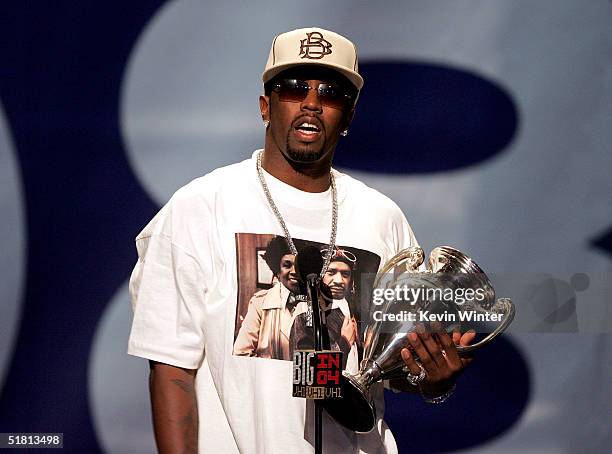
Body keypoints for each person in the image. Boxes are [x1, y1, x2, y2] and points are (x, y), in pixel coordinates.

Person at [128, 27, 474, 454]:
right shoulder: (200, 207)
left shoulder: (381, 218)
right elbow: (171, 370)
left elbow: (389, 367)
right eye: (293, 87)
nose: (311, 102)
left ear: (347, 117)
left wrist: (430, 377)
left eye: (331, 93)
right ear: (265, 106)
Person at [233, 236, 305, 359]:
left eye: (299, 265)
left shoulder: (318, 303)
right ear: (277, 270)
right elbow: (242, 353)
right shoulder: (260, 303)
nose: (294, 271)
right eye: (287, 265)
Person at [290, 247, 360, 370]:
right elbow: (305, 371)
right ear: (320, 276)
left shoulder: (351, 310)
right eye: (331, 272)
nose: (339, 280)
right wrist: (344, 343)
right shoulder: (305, 313)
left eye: (345, 274)